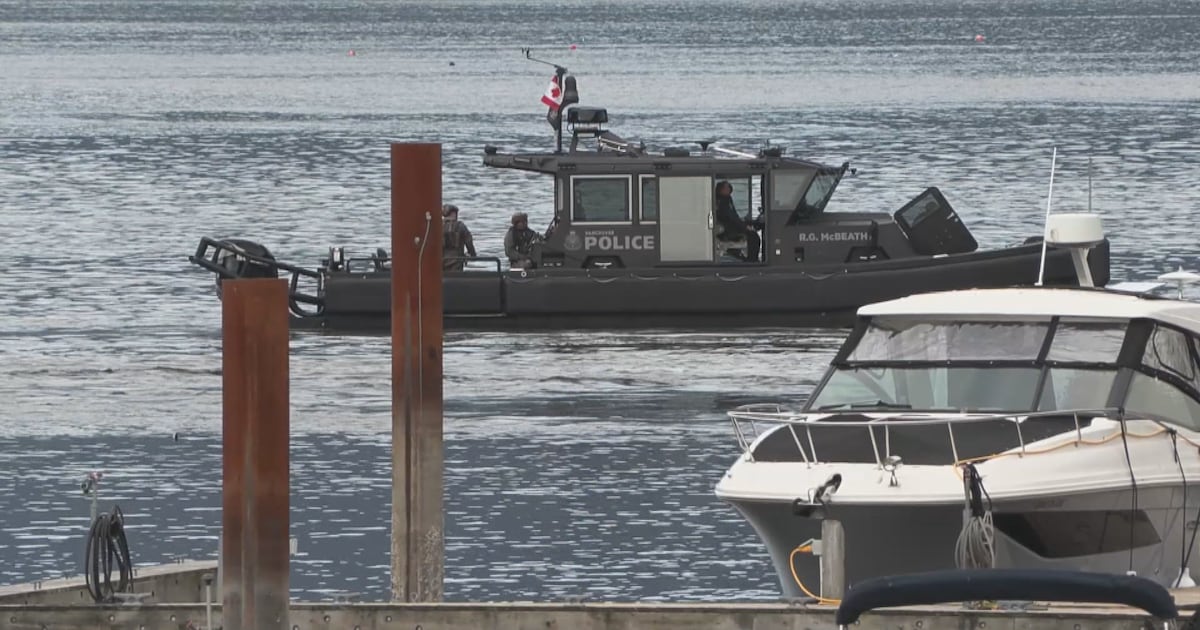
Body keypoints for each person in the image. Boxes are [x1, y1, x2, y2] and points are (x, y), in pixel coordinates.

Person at [713, 181, 761, 262]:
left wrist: (745, 223)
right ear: (721, 189)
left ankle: (748, 258)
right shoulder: (721, 201)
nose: (729, 189)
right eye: (727, 188)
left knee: (752, 229)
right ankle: (752, 260)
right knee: (754, 236)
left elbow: (734, 216)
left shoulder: (727, 198)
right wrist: (745, 227)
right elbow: (731, 217)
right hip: (727, 229)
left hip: (731, 225)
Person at [442, 204, 476, 271]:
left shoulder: (438, 226)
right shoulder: (460, 226)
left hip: (441, 262)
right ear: (453, 213)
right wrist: (472, 255)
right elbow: (469, 242)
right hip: (457, 262)